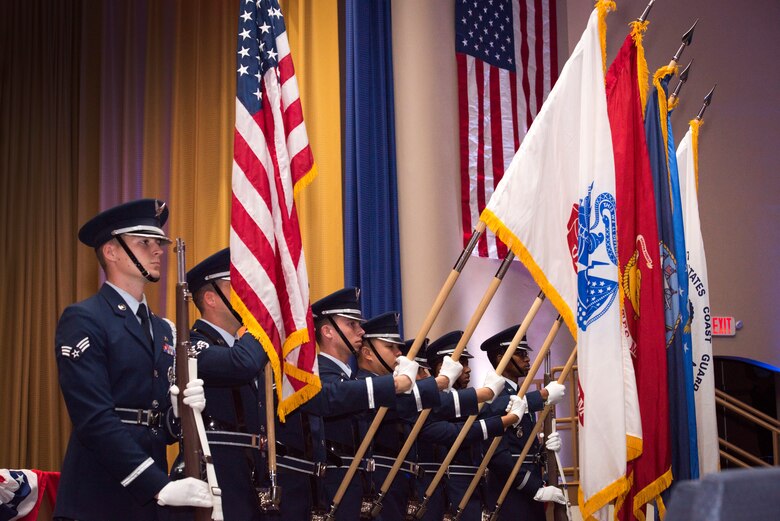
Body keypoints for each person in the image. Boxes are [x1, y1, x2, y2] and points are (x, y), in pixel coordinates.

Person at [54, 199, 211, 521]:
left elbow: (157, 424)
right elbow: (93, 418)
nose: (158, 251)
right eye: (144, 243)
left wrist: (182, 413)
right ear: (111, 251)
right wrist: (155, 485)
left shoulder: (163, 329)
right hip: (100, 495)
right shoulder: (85, 318)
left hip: (152, 496)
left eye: (159, 244)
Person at [271, 289, 420, 520]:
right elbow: (334, 395)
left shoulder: (350, 381)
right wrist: (396, 383)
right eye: (351, 324)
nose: (361, 331)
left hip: (359, 485)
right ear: (327, 331)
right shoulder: (315, 377)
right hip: (329, 486)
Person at [185, 247, 270, 520]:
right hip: (217, 472)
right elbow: (239, 365)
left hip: (248, 475)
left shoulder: (241, 346)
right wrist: (265, 319)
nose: (248, 295)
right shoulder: (193, 343)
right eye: (238, 287)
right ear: (211, 298)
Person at [355, 312, 462, 521]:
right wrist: (440, 383)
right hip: (376, 483)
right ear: (367, 353)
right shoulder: (362, 388)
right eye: (391, 347)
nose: (398, 354)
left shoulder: (390, 392)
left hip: (400, 484)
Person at [416, 331, 523, 520]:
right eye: (462, 363)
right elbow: (464, 429)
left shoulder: (464, 404)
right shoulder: (434, 406)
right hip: (446, 493)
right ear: (442, 368)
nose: (468, 369)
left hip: (475, 490)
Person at [480, 325, 567, 520]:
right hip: (510, 495)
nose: (527, 359)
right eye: (520, 354)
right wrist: (534, 487)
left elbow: (523, 447)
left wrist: (545, 450)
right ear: (501, 357)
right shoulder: (494, 397)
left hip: (530, 494)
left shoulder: (518, 395)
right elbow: (498, 455)